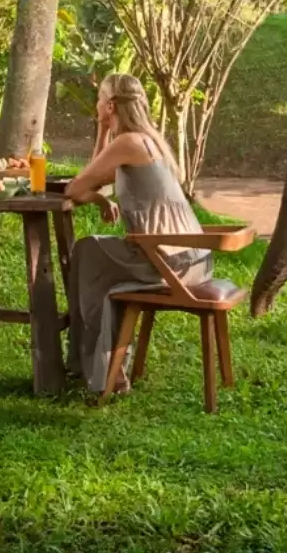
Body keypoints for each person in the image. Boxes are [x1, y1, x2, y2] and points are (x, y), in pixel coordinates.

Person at [64, 73, 217, 394]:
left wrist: (96, 198)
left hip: (166, 262)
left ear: (109, 106)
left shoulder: (127, 143)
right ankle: (106, 368)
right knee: (98, 260)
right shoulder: (148, 140)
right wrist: (102, 137)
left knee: (87, 253)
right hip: (194, 258)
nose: (96, 105)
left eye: (99, 99)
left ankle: (100, 369)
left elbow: (76, 188)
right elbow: (96, 180)